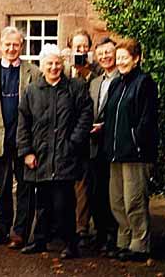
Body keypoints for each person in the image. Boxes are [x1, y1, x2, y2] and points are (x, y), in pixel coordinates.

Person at [17, 43, 93, 259]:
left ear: (63, 64)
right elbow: (24, 123)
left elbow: (85, 115)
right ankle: (40, 240)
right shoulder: (32, 90)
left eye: (57, 63)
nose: (53, 67)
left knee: (64, 203)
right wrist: (26, 152)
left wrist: (73, 143)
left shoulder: (75, 87)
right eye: (49, 63)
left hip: (64, 155)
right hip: (40, 155)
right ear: (41, 66)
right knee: (42, 203)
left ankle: (71, 244)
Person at [0, 26, 41, 249]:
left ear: (21, 46)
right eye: (7, 44)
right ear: (0, 46)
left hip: (24, 141)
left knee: (25, 188)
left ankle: (20, 231)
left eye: (16, 45)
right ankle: (0, 228)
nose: (11, 48)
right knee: (1, 188)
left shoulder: (33, 72)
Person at [103, 38, 158, 262]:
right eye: (118, 58)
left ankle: (140, 244)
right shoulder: (117, 83)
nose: (121, 62)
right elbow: (112, 115)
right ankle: (123, 241)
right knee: (116, 200)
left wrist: (136, 141)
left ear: (136, 59)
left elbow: (147, 119)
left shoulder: (145, 83)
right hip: (115, 153)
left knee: (134, 200)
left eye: (125, 57)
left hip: (135, 153)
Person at [88, 37, 119, 254]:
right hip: (93, 146)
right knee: (96, 192)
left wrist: (105, 127)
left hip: (113, 144)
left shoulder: (122, 79)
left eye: (108, 53)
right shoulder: (95, 82)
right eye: (101, 54)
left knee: (113, 193)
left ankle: (112, 235)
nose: (105, 57)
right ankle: (99, 233)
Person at [66, 28, 97, 245]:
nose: (81, 50)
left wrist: (86, 72)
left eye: (85, 47)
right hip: (66, 136)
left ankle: (82, 228)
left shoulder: (95, 72)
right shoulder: (64, 70)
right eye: (77, 47)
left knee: (84, 184)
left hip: (89, 136)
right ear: (70, 49)